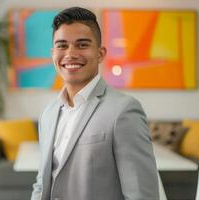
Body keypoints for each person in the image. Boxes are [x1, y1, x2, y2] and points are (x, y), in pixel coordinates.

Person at [31, 7, 159, 200]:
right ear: (53, 53)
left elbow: (141, 195)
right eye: (62, 45)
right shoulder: (48, 113)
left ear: (100, 53)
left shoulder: (124, 111)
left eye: (82, 45)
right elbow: (41, 184)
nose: (70, 53)